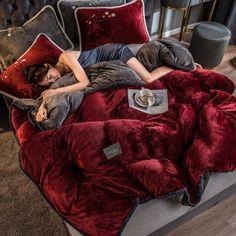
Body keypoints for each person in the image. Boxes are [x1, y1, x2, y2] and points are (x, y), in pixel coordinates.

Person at [26, 43, 175, 122]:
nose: (54, 80)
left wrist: (56, 91)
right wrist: (42, 108)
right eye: (48, 82)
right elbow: (49, 94)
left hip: (114, 52)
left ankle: (181, 66)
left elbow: (84, 83)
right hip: (108, 66)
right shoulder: (61, 80)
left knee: (147, 79)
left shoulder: (65, 57)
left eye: (50, 76)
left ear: (48, 66)